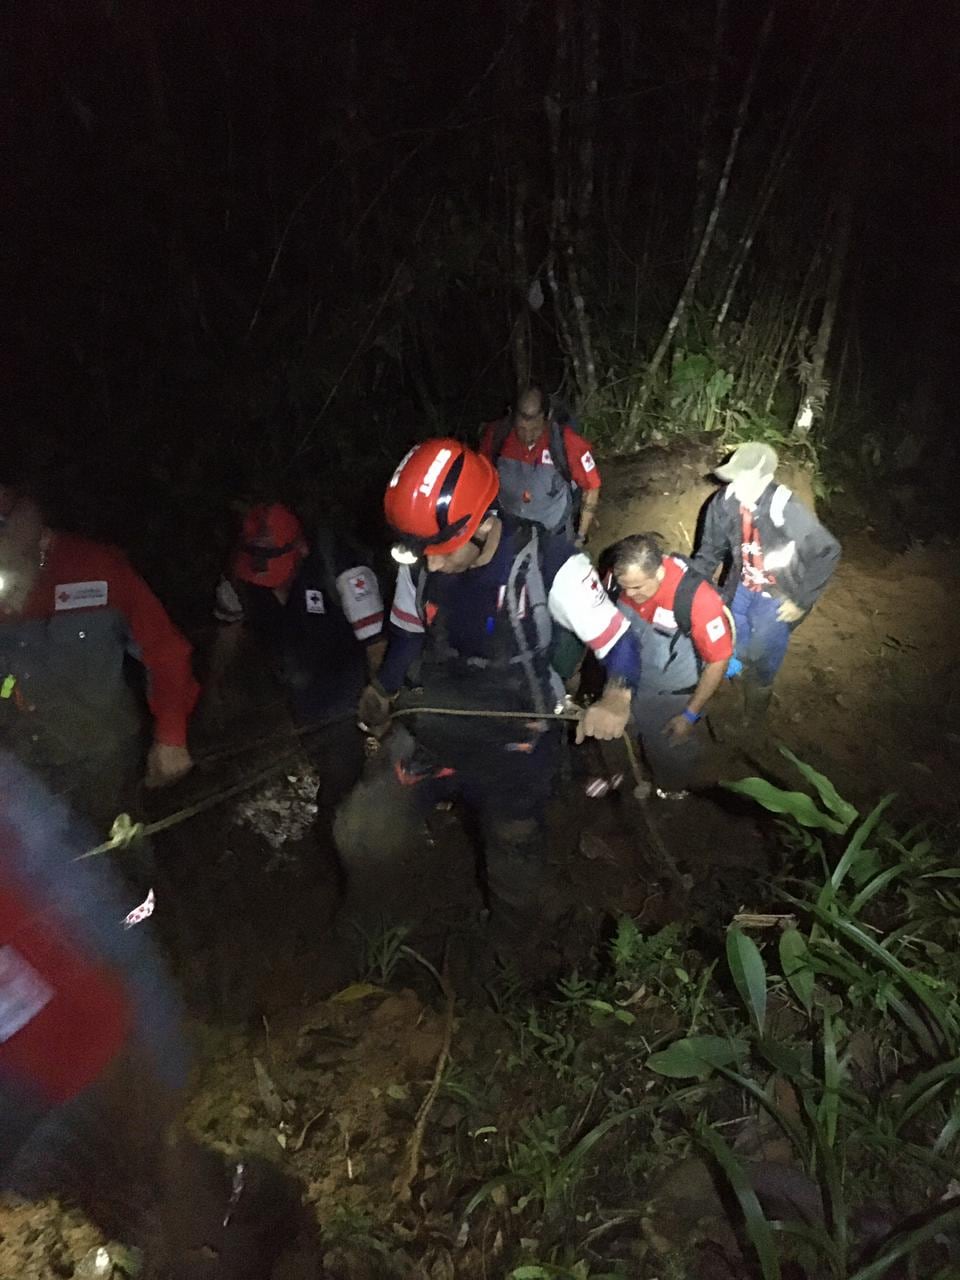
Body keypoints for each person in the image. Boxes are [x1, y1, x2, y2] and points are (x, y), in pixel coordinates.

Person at [349, 438, 639, 956]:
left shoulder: (550, 563)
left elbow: (619, 642)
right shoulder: (419, 561)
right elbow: (409, 634)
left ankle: (510, 953)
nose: (430, 570)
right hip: (436, 726)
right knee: (361, 829)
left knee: (513, 854)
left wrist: (617, 697)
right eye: (421, 556)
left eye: (440, 554)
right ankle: (378, 935)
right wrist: (382, 688)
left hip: (516, 742)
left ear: (481, 525)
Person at [0, 480, 198, 832]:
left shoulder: (97, 568)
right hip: (22, 769)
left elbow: (165, 653)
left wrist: (170, 735)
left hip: (103, 759)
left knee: (122, 859)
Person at [211, 502, 385, 808]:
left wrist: (381, 697)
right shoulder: (238, 579)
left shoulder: (342, 570)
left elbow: (375, 646)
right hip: (295, 680)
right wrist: (213, 690)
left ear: (301, 549)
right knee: (318, 752)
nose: (269, 582)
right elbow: (228, 633)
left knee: (341, 766)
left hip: (344, 678)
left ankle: (346, 815)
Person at [690, 442, 841, 723]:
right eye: (734, 477)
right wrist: (692, 588)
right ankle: (735, 683)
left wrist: (801, 600)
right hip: (743, 582)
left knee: (763, 650)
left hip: (781, 591)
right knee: (733, 638)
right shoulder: (724, 503)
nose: (735, 486)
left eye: (744, 478)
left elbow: (827, 551)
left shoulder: (786, 507)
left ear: (764, 478)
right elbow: (709, 551)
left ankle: (756, 707)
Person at [608, 533, 734, 797]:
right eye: (624, 586)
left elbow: (718, 660)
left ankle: (673, 790)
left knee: (669, 747)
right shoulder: (626, 584)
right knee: (634, 734)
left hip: (672, 697)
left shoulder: (698, 601)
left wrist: (689, 715)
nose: (630, 594)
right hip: (635, 682)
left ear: (659, 571)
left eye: (638, 587)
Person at [479, 385, 601, 545]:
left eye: (535, 429)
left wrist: (580, 536)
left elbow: (592, 487)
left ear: (547, 417)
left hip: (554, 532)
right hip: (509, 530)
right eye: (521, 428)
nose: (527, 436)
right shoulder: (496, 437)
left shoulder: (566, 443)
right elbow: (481, 478)